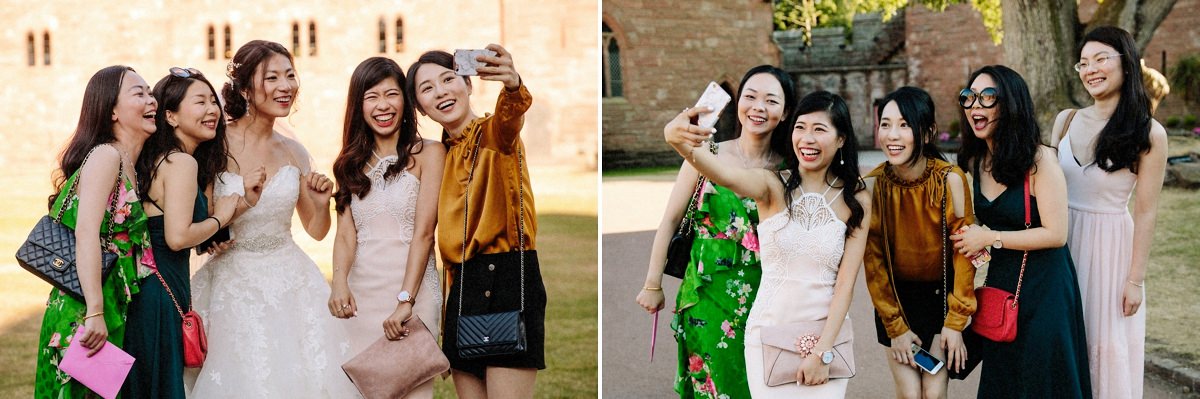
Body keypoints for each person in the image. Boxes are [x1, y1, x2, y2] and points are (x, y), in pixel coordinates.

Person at [666, 90, 869, 398]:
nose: (807, 138)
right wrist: (677, 139)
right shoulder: (771, 184)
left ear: (841, 139)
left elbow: (845, 284)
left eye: (819, 129)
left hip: (826, 336)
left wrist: (822, 352)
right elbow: (723, 173)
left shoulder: (856, 198)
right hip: (768, 332)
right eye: (800, 128)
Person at [187, 40, 357, 398]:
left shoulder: (293, 150)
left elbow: (316, 230)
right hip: (233, 280)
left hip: (291, 280)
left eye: (290, 76)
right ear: (246, 88)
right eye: (273, 78)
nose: (286, 87)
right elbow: (198, 220)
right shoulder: (214, 145)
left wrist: (320, 201)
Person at [636, 65, 795, 398]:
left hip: (767, 300)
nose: (758, 107)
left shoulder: (790, 168)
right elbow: (670, 220)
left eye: (771, 100)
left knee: (761, 388)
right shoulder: (707, 153)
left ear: (785, 112)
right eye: (750, 97)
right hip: (706, 298)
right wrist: (653, 284)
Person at [406, 44, 546, 398]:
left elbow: (510, 116)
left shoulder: (495, 134)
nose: (440, 92)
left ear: (468, 85)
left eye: (448, 79)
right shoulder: (438, 156)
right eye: (427, 89)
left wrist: (513, 85)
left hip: (507, 279)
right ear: (420, 107)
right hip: (461, 287)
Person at [950, 65, 1092, 398]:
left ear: (1011, 103)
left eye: (988, 97)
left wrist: (990, 238)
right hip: (1003, 285)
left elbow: (1057, 234)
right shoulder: (976, 160)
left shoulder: (1039, 160)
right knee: (1005, 378)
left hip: (1046, 289)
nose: (975, 106)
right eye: (969, 98)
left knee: (1042, 378)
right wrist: (975, 243)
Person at [1049, 26, 1168, 399]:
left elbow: (1146, 211)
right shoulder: (1065, 120)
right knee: (1059, 342)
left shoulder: (1149, 132)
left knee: (1102, 346)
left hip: (1109, 250)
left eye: (1101, 59)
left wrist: (1135, 280)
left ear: (1127, 64)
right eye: (1083, 63)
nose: (1091, 69)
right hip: (1059, 245)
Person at [33, 65, 159, 398]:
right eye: (139, 94)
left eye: (150, 92)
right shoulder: (106, 155)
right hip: (84, 310)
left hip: (107, 305)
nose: (152, 100)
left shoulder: (129, 162)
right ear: (112, 111)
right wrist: (95, 312)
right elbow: (86, 234)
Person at [328, 57, 445, 398]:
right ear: (359, 105)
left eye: (391, 94)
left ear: (405, 102)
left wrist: (405, 300)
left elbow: (425, 233)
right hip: (360, 298)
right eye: (371, 96)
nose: (383, 105)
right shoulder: (348, 163)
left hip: (412, 292)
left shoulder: (430, 154)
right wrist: (338, 283)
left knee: (412, 390)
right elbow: (346, 234)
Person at [122, 67, 241, 398]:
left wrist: (234, 210)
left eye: (213, 102)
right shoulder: (180, 163)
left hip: (149, 288)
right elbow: (176, 237)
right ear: (171, 116)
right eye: (199, 102)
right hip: (159, 295)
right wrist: (220, 217)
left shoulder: (164, 160)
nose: (212, 110)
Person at [863, 86, 976, 399]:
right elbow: (874, 263)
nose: (892, 135)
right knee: (911, 394)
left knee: (934, 392)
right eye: (885, 124)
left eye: (904, 125)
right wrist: (895, 327)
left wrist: (955, 322)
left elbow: (964, 254)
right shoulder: (874, 186)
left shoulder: (949, 179)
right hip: (895, 303)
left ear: (926, 133)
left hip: (941, 303)